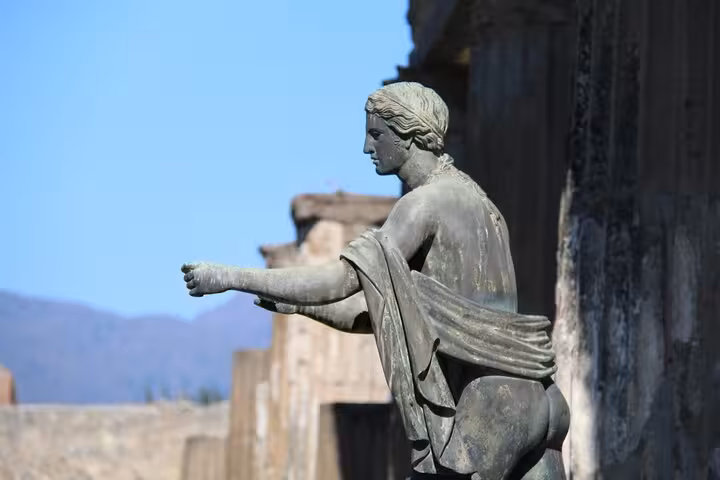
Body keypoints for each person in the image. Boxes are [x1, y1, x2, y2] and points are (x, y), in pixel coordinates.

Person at [182, 82, 568, 479]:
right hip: (541, 397)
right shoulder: (483, 206)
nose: (367, 147)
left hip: (493, 402)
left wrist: (232, 277)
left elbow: (342, 280)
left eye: (376, 133)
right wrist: (298, 305)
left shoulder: (422, 205)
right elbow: (374, 313)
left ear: (409, 134)